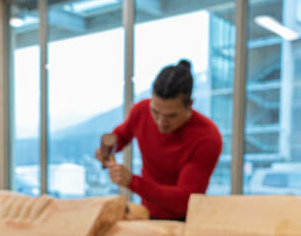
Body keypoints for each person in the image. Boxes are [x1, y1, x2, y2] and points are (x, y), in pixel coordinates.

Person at [95, 59, 222, 220]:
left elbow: (184, 200)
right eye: (155, 112)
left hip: (185, 220)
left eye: (171, 116)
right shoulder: (141, 111)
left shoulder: (207, 138)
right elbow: (121, 135)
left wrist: (131, 181)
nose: (161, 122)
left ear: (190, 104)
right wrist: (107, 149)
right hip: (148, 214)